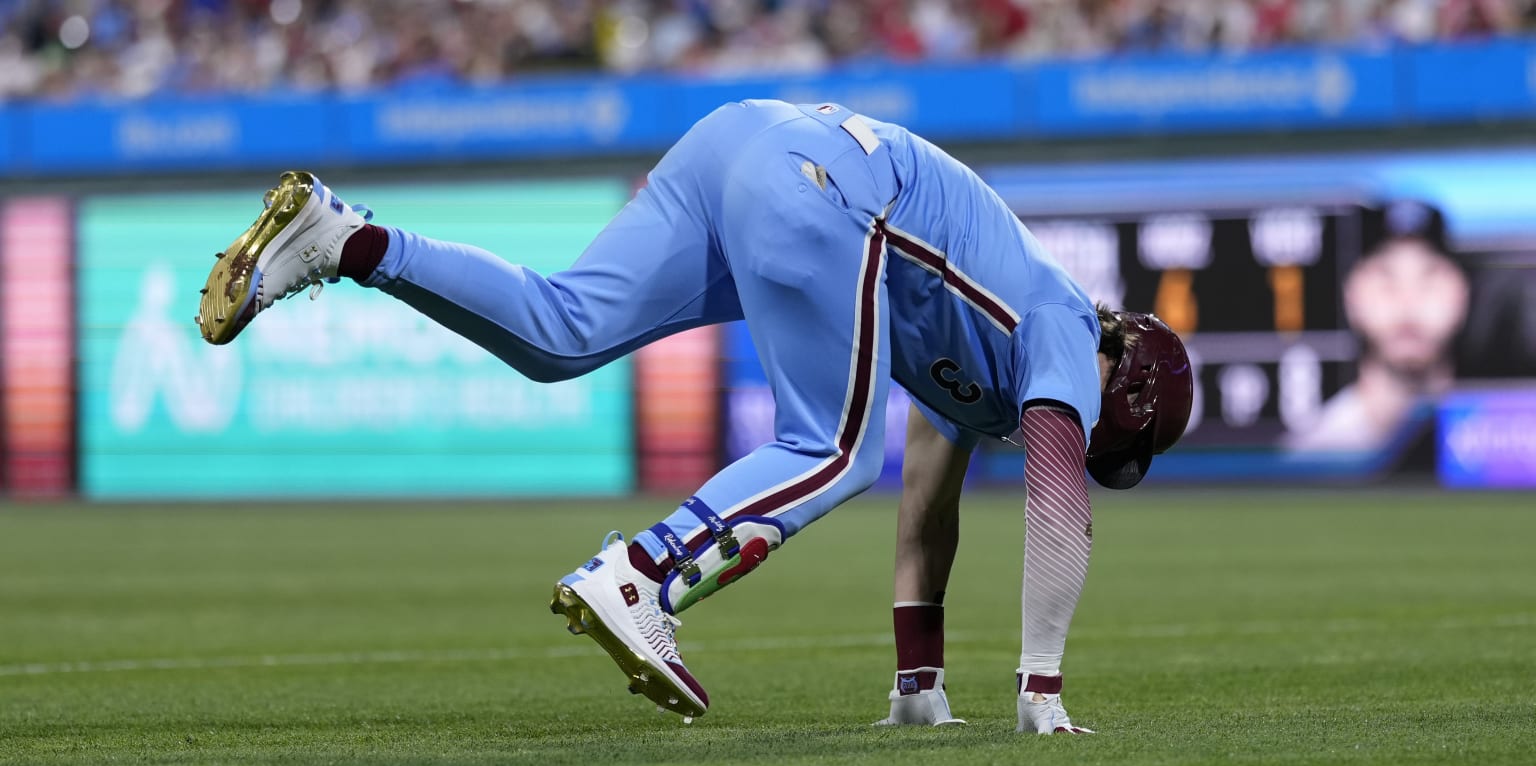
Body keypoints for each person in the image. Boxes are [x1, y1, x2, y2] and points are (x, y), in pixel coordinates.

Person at [194, 99, 1193, 733]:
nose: (1092, 442)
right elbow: (1060, 514)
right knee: (836, 450)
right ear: (1130, 383)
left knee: (559, 332)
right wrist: (1042, 692)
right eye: (1121, 436)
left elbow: (931, 507)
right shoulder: (1064, 322)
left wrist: (918, 683)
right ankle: (645, 572)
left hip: (737, 142)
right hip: (829, 188)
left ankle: (350, 241)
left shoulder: (993, 364)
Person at [1285, 201, 1469, 453]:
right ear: (1351, 296)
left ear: (1461, 293)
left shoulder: (1502, 443)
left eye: (1429, 276)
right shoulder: (1316, 453)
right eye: (1385, 276)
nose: (1408, 301)